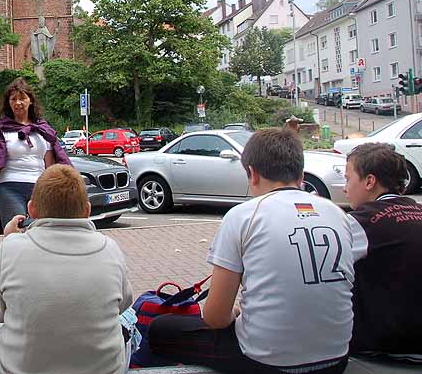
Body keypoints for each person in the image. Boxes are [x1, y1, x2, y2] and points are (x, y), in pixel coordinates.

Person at [148, 128, 354, 373]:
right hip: (336, 359)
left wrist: (236, 312)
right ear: (300, 175)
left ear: (253, 173)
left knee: (160, 329)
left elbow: (215, 317)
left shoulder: (243, 216)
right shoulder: (337, 214)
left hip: (266, 363)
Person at [0, 164, 136, 374]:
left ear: (31, 209)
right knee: (130, 317)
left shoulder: (11, 247)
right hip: (104, 369)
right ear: (87, 210)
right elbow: (124, 303)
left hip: (18, 369)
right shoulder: (110, 248)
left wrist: (10, 239)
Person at [343, 143, 422, 357]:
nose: (345, 189)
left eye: (348, 179)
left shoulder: (360, 223)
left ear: (369, 181)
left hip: (381, 345)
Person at [0, 78, 71, 228]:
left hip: (38, 188)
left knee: (41, 231)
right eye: (13, 99)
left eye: (22, 98)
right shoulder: (2, 130)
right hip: (9, 187)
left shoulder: (43, 130)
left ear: (30, 101)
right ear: (8, 103)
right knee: (17, 230)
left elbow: (50, 166)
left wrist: (53, 191)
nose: (18, 103)